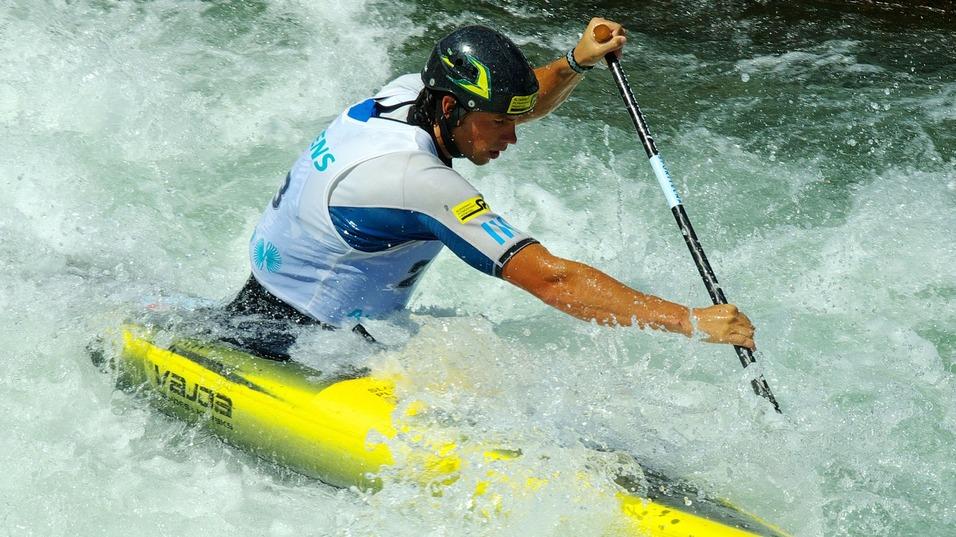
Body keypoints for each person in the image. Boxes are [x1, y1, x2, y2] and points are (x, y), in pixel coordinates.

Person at [226, 18, 755, 358]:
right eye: (500, 123)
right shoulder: (419, 182)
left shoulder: (408, 93)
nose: (514, 137)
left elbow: (519, 100)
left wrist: (574, 62)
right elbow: (553, 281)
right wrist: (688, 321)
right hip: (304, 347)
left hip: (268, 302)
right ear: (452, 109)